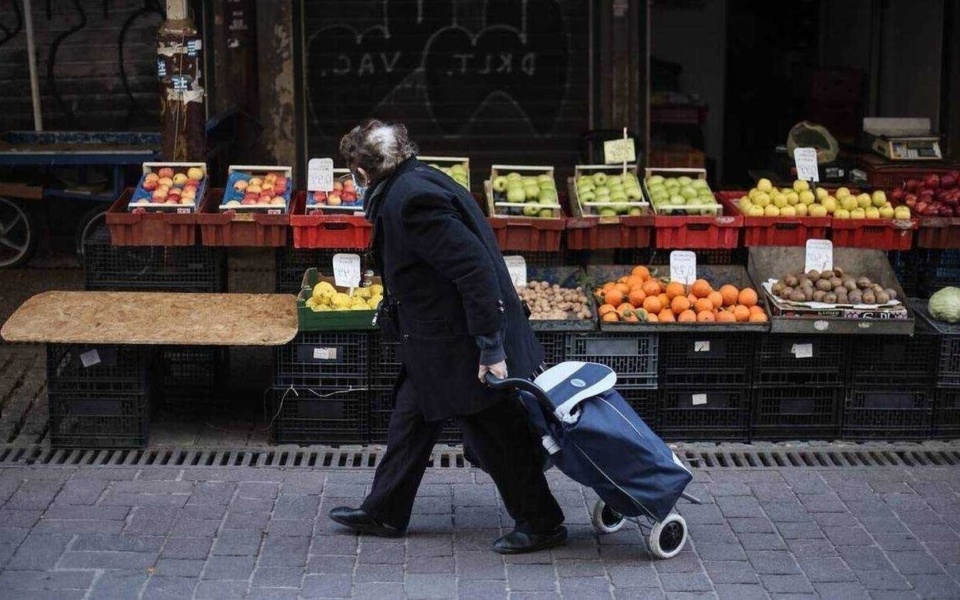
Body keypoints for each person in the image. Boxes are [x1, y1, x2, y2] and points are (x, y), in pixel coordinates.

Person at [328, 120, 566, 554]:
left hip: (462, 344)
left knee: (495, 431)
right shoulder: (420, 178)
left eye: (353, 171)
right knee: (410, 420)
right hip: (432, 343)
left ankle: (542, 521)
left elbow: (474, 270)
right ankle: (385, 510)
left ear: (363, 172)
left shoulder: (412, 201)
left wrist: (491, 348)